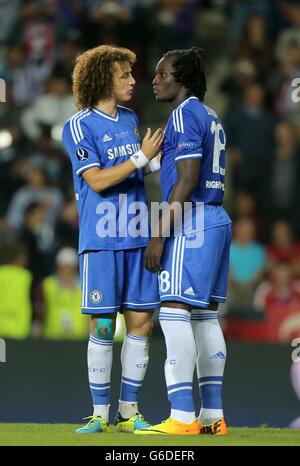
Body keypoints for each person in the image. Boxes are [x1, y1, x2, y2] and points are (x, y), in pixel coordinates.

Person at [62, 45, 163, 434]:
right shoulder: (79, 125)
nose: (133, 81)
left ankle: (128, 411)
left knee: (140, 321)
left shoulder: (131, 118)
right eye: (125, 75)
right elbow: (98, 180)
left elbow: (135, 171)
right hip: (102, 237)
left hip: (137, 233)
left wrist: (154, 160)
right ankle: (99, 414)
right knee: (104, 326)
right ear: (105, 78)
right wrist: (141, 158)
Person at [137, 48, 232, 436]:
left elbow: (188, 179)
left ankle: (181, 417)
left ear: (182, 79)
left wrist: (158, 234)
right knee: (206, 315)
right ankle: (213, 417)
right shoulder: (210, 116)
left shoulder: (183, 114)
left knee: (174, 312)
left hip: (192, 219)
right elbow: (185, 166)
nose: (155, 80)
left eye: (162, 74)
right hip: (217, 219)